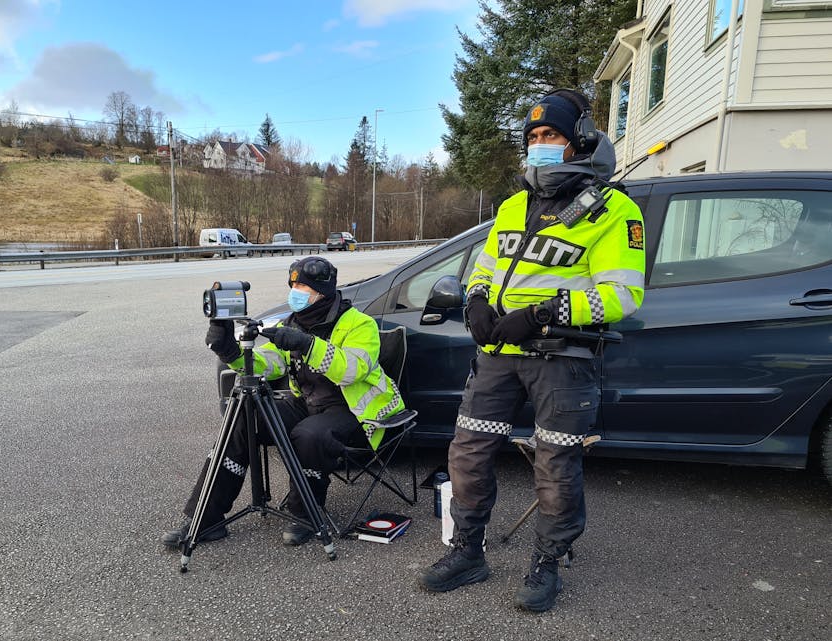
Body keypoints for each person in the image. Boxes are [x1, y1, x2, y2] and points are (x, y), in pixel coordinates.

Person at [417, 89, 646, 612]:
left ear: (580, 141)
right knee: (468, 455)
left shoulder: (614, 211)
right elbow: (487, 268)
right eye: (534, 138)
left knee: (555, 465)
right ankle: (466, 553)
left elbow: (623, 294)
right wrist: (475, 301)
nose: (540, 146)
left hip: (564, 358)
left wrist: (545, 312)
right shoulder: (514, 205)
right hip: (498, 354)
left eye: (552, 136)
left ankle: (547, 563)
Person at [162, 256, 405, 547]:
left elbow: (353, 370)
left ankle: (305, 512)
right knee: (244, 415)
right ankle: (206, 518)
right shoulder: (293, 322)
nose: (296, 291)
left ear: (322, 291)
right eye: (293, 284)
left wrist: (307, 345)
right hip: (308, 402)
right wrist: (232, 353)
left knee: (309, 434)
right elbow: (270, 363)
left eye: (303, 285)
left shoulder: (359, 324)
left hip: (356, 411)